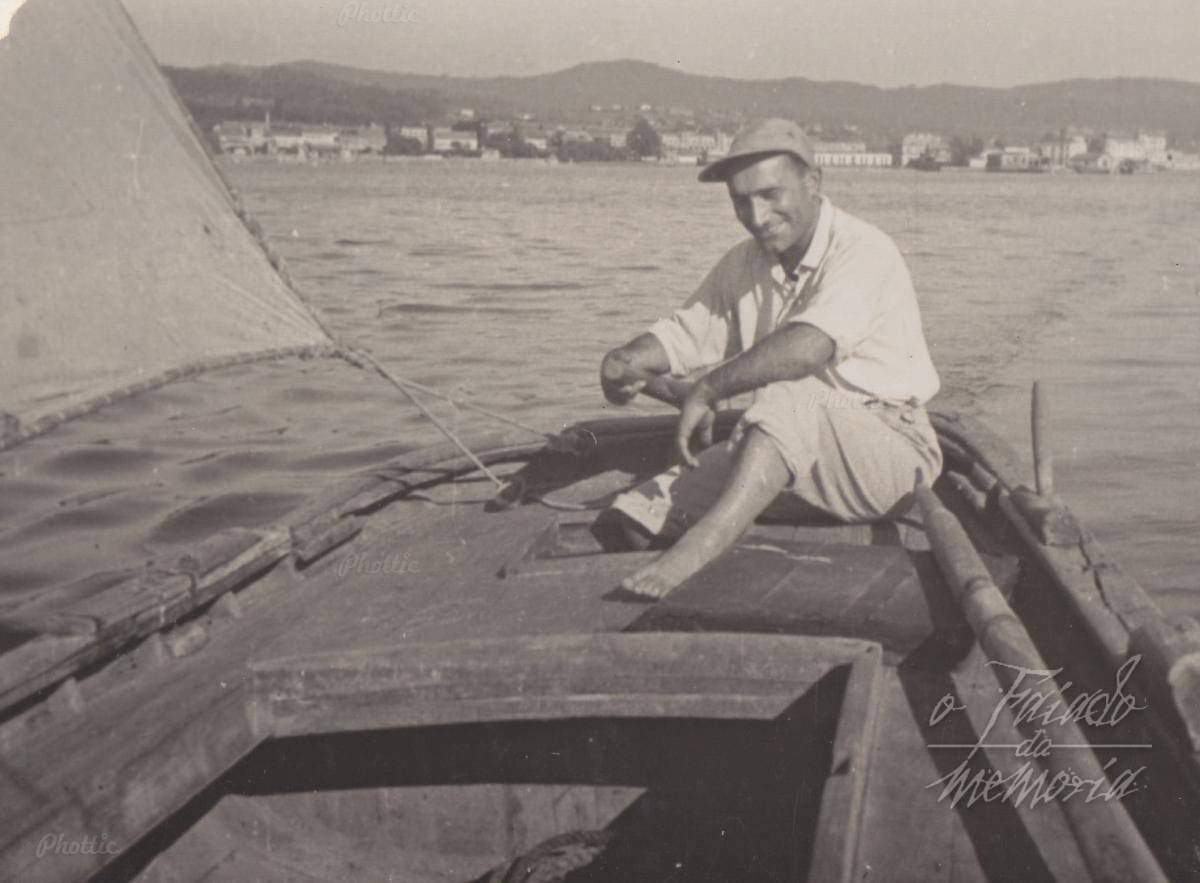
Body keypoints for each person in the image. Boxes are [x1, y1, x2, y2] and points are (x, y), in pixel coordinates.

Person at [599, 118, 942, 599]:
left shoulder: (865, 250)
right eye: (741, 201)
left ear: (813, 182)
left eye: (770, 195)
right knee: (638, 517)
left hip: (890, 452)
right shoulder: (744, 263)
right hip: (786, 440)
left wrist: (708, 388)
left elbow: (808, 348)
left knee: (790, 395)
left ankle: (705, 545)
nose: (756, 216)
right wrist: (624, 360)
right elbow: (683, 335)